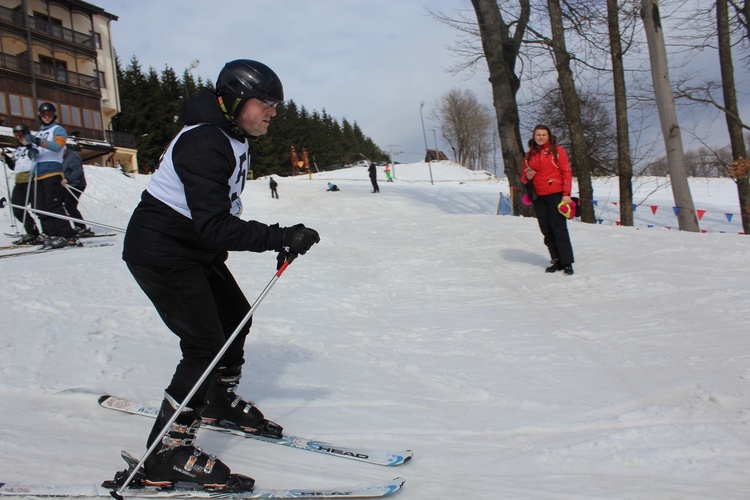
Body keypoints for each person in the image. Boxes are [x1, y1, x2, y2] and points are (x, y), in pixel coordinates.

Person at [121, 59, 320, 489]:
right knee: (204, 345)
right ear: (233, 100)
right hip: (162, 252)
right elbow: (212, 224)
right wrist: (280, 236)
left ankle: (216, 401)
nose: (272, 111)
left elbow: (215, 218)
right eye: (264, 102)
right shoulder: (205, 141)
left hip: (194, 250)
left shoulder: (233, 134)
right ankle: (165, 453)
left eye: (275, 104)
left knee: (235, 320)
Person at [521, 124, 575, 275]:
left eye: (543, 134)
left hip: (555, 194)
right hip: (538, 196)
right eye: (538, 134)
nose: (541, 137)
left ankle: (567, 262)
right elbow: (523, 177)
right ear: (534, 136)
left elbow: (566, 172)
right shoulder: (529, 155)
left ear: (549, 136)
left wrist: (566, 193)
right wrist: (527, 177)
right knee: (546, 229)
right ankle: (556, 260)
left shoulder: (557, 151)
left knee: (559, 228)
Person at [24, 103, 77, 249]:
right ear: (40, 116)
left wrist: (39, 142)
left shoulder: (58, 129)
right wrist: (31, 151)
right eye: (44, 114)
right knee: (40, 207)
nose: (46, 117)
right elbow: (35, 151)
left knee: (54, 205)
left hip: (52, 171)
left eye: (49, 114)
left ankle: (68, 235)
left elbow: (57, 147)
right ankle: (51, 234)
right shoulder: (39, 133)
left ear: (54, 115)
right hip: (38, 174)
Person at [7, 124, 42, 245]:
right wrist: (5, 158)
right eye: (16, 135)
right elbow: (14, 167)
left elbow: (36, 156)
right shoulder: (18, 150)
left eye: (21, 134)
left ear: (27, 134)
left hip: (31, 179)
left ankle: (50, 231)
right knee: (18, 208)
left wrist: (29, 146)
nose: (19, 137)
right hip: (20, 180)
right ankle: (32, 232)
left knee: (38, 208)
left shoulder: (33, 145)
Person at [61, 148, 93, 236]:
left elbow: (78, 171)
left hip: (77, 184)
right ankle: (71, 226)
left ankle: (81, 227)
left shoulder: (72, 157)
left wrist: (67, 179)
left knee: (69, 204)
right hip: (67, 185)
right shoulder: (59, 157)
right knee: (62, 205)